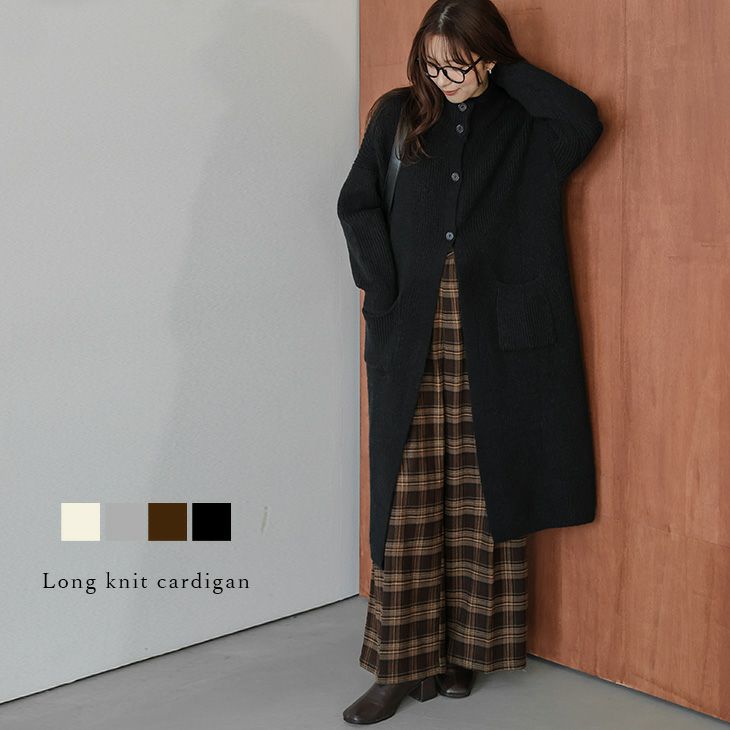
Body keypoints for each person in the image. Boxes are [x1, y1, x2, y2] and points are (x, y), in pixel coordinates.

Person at [337, 0, 604, 724]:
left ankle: (463, 653)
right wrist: (384, 289)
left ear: (489, 56)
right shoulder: (397, 115)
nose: (444, 78)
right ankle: (399, 665)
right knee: (409, 495)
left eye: (459, 64)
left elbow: (583, 119)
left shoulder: (526, 124)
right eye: (433, 64)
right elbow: (358, 205)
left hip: (498, 336)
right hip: (411, 330)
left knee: (486, 489)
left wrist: (503, 73)